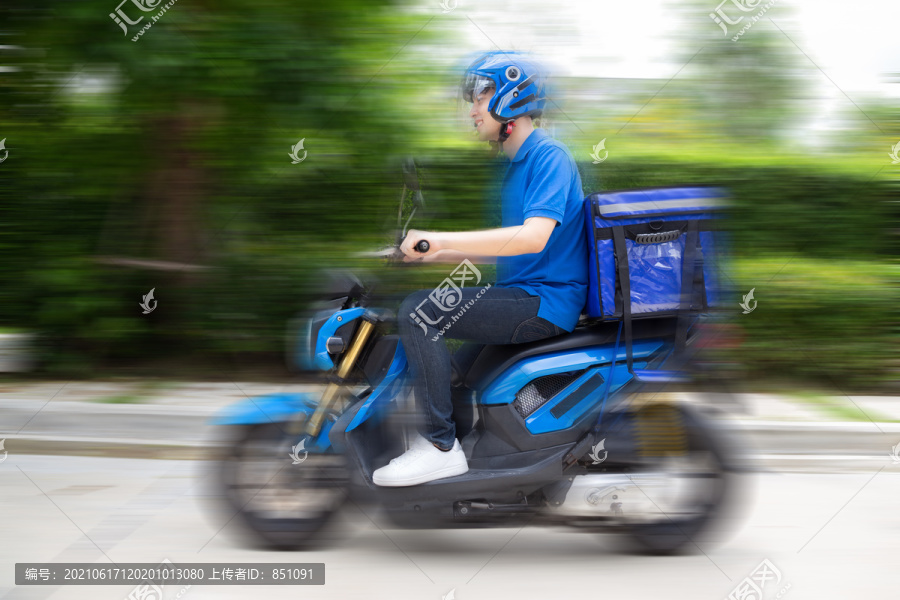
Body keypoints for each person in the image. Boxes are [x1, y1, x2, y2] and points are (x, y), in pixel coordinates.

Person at [372, 51, 588, 487]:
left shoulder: (550, 156)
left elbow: (532, 239)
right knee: (450, 377)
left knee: (421, 314)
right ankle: (471, 469)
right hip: (527, 293)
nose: (472, 109)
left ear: (511, 97)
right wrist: (429, 254)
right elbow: (509, 250)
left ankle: (438, 448)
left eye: (480, 94)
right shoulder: (514, 168)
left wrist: (440, 239)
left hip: (543, 301)